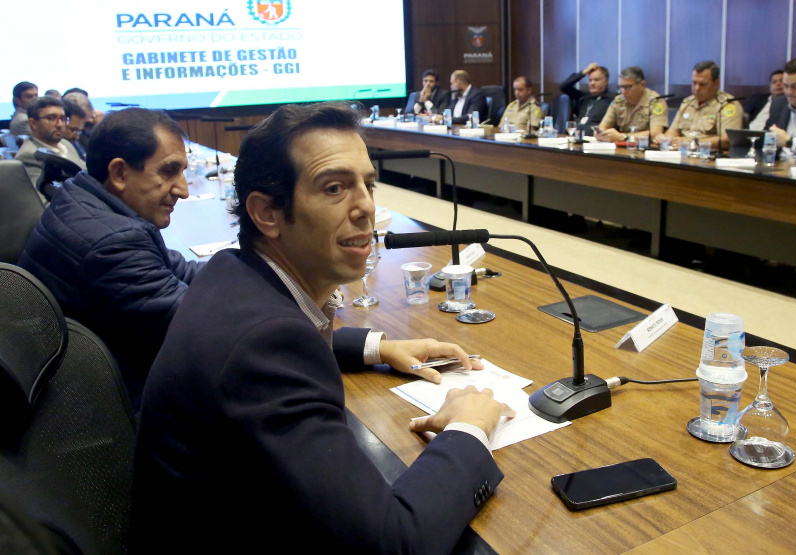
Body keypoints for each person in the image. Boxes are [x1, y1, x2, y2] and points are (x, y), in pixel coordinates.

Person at [131, 101, 515, 553]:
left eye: (368, 184)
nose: (366, 206)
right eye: (335, 188)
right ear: (267, 213)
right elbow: (395, 544)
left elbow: (274, 342)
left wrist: (376, 347)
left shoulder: (231, 274)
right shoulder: (263, 346)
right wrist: (469, 428)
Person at [18, 108, 202, 411]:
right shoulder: (113, 243)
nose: (183, 190)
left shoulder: (83, 197)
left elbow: (179, 269)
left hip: (88, 381)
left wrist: (261, 268)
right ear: (119, 174)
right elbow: (201, 329)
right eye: (169, 171)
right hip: (120, 406)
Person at [655, 61, 743, 150]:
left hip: (707, 153)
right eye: (694, 83)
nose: (697, 88)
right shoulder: (687, 103)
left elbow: (727, 140)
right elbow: (673, 131)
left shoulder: (727, 104)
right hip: (682, 151)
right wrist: (665, 138)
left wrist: (693, 142)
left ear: (716, 83)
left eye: (703, 84)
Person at [14, 96, 86, 193]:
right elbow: (44, 198)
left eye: (63, 119)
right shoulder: (29, 155)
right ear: (33, 123)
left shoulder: (65, 143)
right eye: (51, 118)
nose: (60, 124)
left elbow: (84, 170)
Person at [595, 66, 668, 142]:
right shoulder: (618, 101)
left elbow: (655, 133)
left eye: (628, 87)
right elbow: (603, 126)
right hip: (621, 146)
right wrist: (600, 133)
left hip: (644, 146)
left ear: (642, 84)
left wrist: (624, 137)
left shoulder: (655, 101)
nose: (623, 92)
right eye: (621, 87)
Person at [559, 62, 614, 135]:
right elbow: (564, 86)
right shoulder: (584, 97)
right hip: (576, 135)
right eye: (590, 80)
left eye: (596, 80)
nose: (592, 83)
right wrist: (584, 72)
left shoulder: (613, 98)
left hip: (595, 136)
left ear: (606, 81)